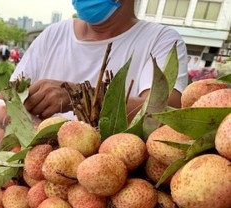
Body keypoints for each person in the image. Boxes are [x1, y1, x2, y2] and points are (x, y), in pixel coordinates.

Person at [11, 0, 188, 120]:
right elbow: (10, 94)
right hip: (41, 166)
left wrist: (80, 97)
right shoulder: (54, 33)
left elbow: (162, 113)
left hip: (113, 169)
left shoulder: (161, 40)